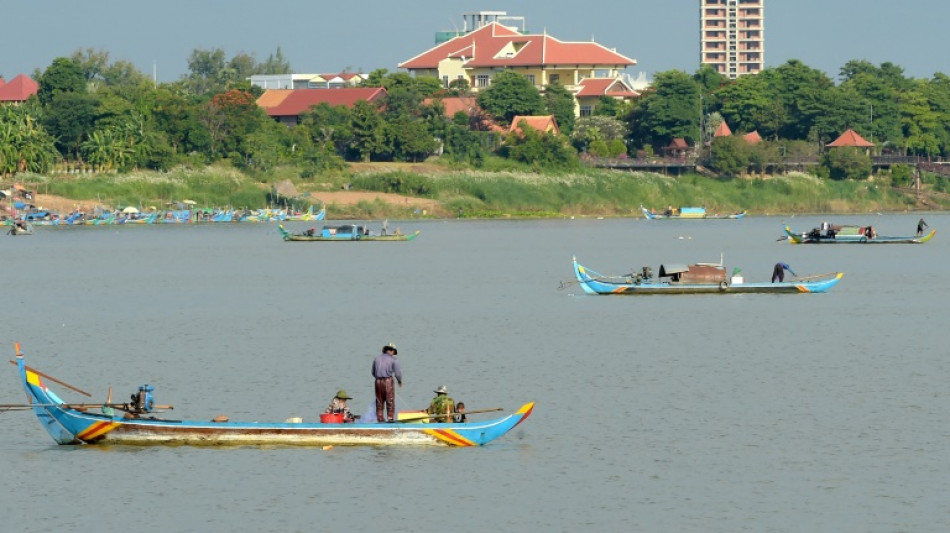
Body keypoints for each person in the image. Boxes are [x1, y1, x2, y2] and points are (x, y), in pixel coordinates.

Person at [371, 344, 402, 422]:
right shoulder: (394, 360)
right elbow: (398, 373)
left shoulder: (376, 359)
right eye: (393, 352)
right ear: (392, 350)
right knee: (390, 400)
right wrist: (399, 381)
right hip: (388, 382)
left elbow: (373, 372)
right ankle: (390, 418)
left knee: (379, 401)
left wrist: (379, 378)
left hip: (377, 382)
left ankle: (380, 419)